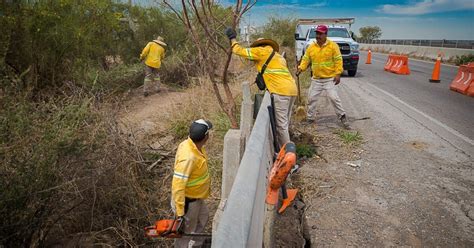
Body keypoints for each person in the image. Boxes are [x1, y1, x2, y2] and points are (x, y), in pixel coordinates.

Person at [225, 28, 298, 149]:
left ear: (260, 46)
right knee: (285, 121)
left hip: (280, 92)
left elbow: (238, 50)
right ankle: (287, 148)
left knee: (281, 126)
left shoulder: (261, 51)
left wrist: (232, 39)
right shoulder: (278, 56)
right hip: (292, 90)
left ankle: (287, 155)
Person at [296, 25, 348, 127]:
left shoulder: (333, 46)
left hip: (329, 79)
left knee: (334, 98)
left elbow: (338, 60)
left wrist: (338, 74)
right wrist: (300, 68)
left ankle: (342, 117)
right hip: (316, 79)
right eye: (317, 33)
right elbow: (306, 59)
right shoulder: (311, 47)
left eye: (320, 33)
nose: (318, 36)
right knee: (311, 99)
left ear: (325, 34)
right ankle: (310, 119)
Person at [171, 119, 212, 248]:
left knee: (203, 218)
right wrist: (180, 212)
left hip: (197, 198)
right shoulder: (188, 157)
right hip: (187, 203)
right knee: (185, 233)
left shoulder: (193, 146)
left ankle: (196, 245)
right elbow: (178, 185)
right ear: (206, 137)